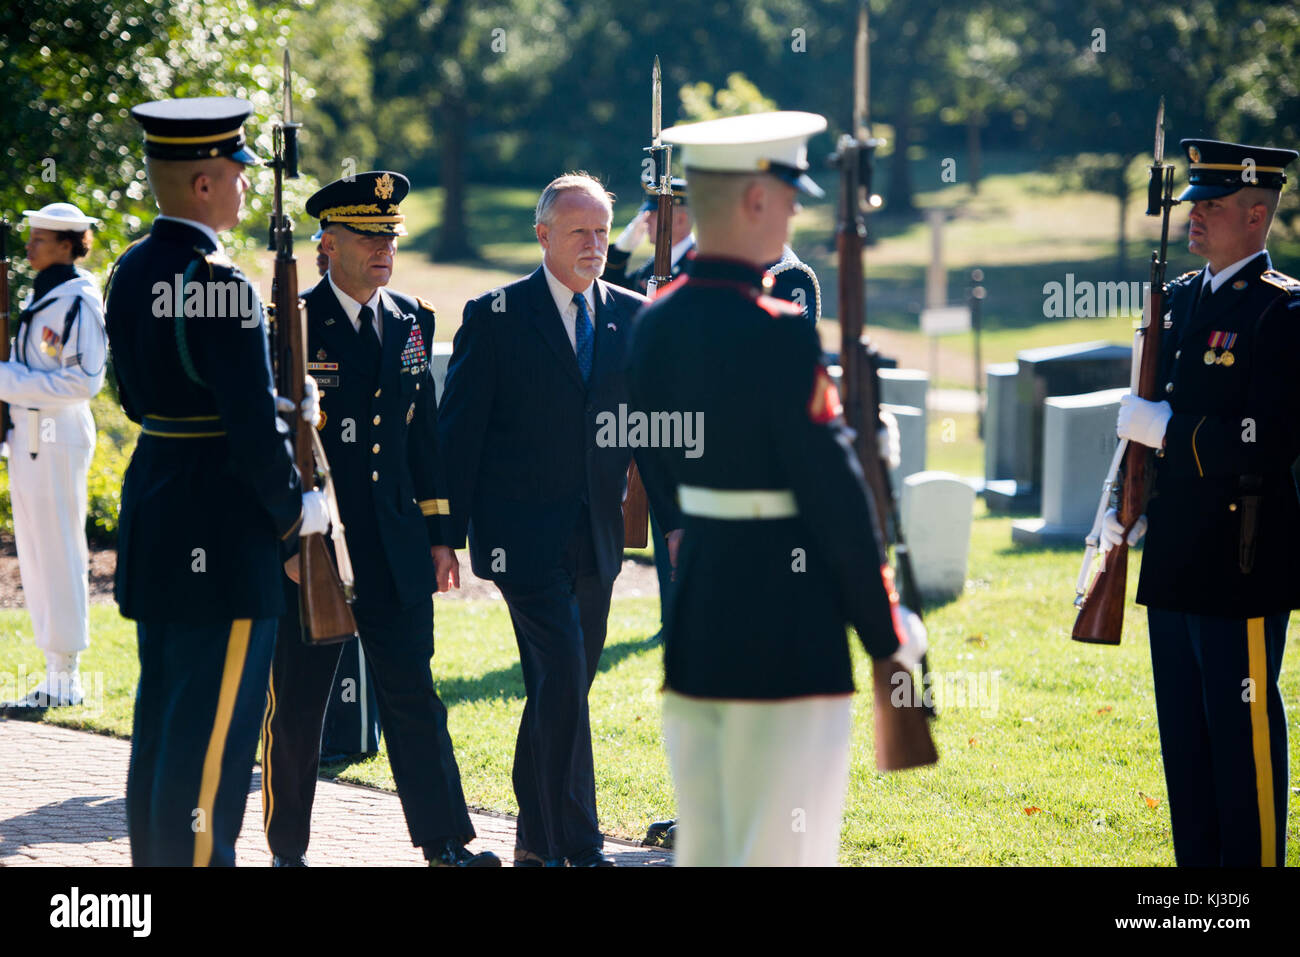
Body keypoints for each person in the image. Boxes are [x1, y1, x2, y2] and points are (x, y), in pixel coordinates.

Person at [626, 111, 926, 867]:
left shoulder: (652, 322)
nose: (797, 210)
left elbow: (659, 460)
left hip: (698, 618)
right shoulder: (779, 330)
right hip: (787, 634)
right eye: (789, 194)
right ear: (756, 199)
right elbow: (834, 501)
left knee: (714, 844)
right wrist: (889, 639)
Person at [105, 96, 326, 866]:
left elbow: (137, 397)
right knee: (213, 748)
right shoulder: (220, 281)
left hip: (158, 510)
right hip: (223, 537)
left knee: (165, 723)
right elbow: (248, 428)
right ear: (204, 184)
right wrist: (299, 513)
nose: (243, 184)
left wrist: (272, 400)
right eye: (235, 171)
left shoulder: (130, 268)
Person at [439, 172, 681, 867]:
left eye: (604, 232)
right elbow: (459, 434)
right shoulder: (496, 316)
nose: (595, 244)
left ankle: (532, 838)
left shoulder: (634, 316)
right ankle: (579, 845)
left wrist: (672, 521)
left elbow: (651, 429)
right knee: (565, 673)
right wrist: (443, 534)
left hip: (597, 538)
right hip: (520, 541)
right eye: (580, 232)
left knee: (561, 684)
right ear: (543, 235)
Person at [260, 171, 496, 867]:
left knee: (414, 697)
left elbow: (422, 436)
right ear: (329, 244)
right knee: (300, 706)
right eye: (369, 236)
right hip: (317, 547)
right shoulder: (292, 323)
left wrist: (441, 535)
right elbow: (270, 441)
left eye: (391, 234)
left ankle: (446, 842)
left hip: (394, 545)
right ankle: (288, 851)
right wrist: (285, 539)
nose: (384, 248)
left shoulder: (411, 318)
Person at [1107, 137, 1298, 867]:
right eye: (1192, 203)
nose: (1194, 217)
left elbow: (1267, 439)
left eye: (1211, 206)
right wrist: (1116, 498)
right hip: (1177, 553)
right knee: (1185, 744)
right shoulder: (1182, 299)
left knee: (1241, 734)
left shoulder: (1281, 314)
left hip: (1239, 555)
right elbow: (1145, 406)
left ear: (1256, 216)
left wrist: (1168, 430)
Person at [0, 202, 106, 713]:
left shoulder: (78, 302)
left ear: (67, 245)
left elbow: (83, 380)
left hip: (56, 432)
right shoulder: (44, 295)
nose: (29, 246)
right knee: (37, 553)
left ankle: (67, 676)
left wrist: (6, 382)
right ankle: (52, 672)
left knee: (60, 551)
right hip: (30, 433)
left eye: (40, 238)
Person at [602, 176, 693, 295]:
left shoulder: (696, 268)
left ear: (680, 220)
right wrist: (620, 251)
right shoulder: (653, 265)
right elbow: (612, 295)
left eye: (655, 214)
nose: (646, 220)